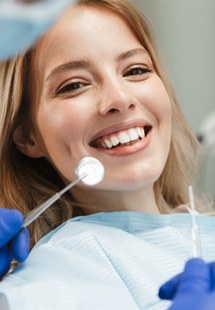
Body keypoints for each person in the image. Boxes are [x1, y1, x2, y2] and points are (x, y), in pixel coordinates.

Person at [0, 0, 215, 308]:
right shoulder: (58, 271)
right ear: (27, 138)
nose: (120, 98)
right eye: (74, 85)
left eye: (136, 70)